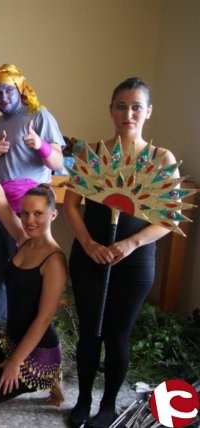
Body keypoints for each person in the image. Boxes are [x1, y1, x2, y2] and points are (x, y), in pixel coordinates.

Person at [64, 78, 178, 428]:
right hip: (90, 256)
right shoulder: (92, 153)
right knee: (90, 331)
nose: (128, 114)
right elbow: (71, 206)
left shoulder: (161, 159)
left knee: (118, 335)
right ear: (110, 109)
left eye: (136, 107)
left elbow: (169, 219)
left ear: (148, 112)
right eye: (120, 106)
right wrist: (88, 244)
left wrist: (131, 243)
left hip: (135, 262)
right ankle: (83, 400)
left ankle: (109, 405)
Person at [0, 127, 66, 407]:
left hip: (38, 352)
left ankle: (53, 374)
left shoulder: (54, 261)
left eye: (38, 214)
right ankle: (8, 361)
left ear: (53, 214)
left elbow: (43, 319)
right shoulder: (23, 239)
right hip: (11, 337)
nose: (30, 220)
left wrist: (15, 363)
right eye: (25, 213)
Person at [0, 63, 65, 328]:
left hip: (25, 209)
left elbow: (57, 162)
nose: (2, 97)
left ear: (19, 88)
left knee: (24, 272)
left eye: (7, 90)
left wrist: (40, 145)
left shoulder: (39, 116)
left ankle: (26, 329)